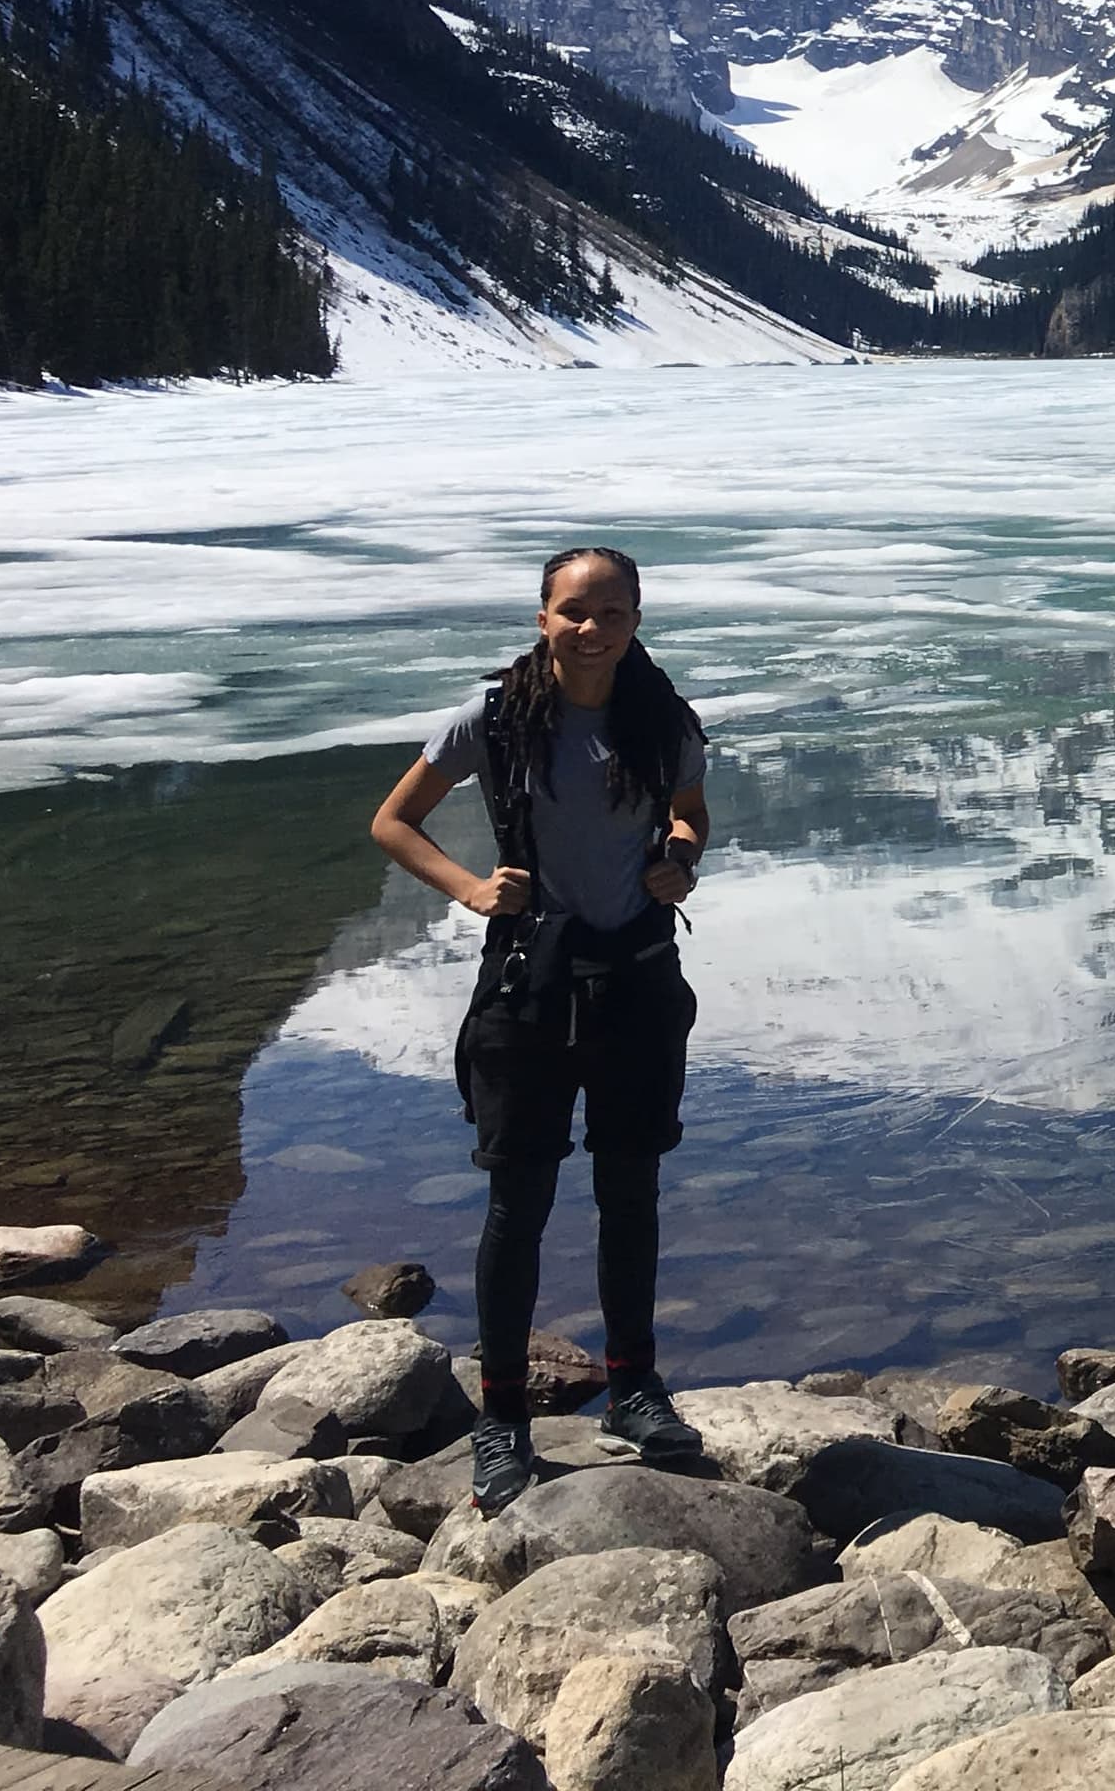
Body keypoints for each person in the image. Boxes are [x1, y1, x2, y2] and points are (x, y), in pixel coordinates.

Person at [369, 545, 713, 1511]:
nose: (592, 629)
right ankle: (504, 1419)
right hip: (529, 991)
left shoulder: (662, 720)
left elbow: (690, 813)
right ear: (542, 618)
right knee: (517, 1209)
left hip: (637, 982)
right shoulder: (495, 718)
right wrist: (475, 889)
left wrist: (679, 860)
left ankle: (635, 1391)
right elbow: (394, 821)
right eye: (574, 611)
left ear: (637, 619)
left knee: (630, 1190)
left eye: (611, 613)